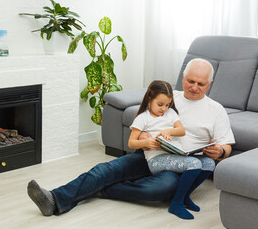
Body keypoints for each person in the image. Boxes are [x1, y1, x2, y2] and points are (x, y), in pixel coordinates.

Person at [27, 58, 235, 217]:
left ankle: (100, 190)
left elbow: (226, 147)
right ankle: (54, 199)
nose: (195, 87)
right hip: (151, 152)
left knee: (160, 189)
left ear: (209, 84)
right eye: (191, 81)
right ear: (183, 78)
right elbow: (144, 117)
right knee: (105, 169)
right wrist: (144, 135)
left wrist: (220, 151)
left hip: (183, 164)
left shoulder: (215, 110)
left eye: (201, 83)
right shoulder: (170, 98)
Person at [128, 79, 215, 219]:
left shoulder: (171, 113)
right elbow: (131, 143)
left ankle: (184, 196)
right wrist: (148, 142)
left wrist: (169, 131)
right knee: (194, 164)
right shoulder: (142, 118)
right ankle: (176, 203)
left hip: (175, 154)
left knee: (209, 163)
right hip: (156, 160)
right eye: (160, 104)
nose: (163, 108)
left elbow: (181, 131)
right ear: (150, 98)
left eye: (167, 105)